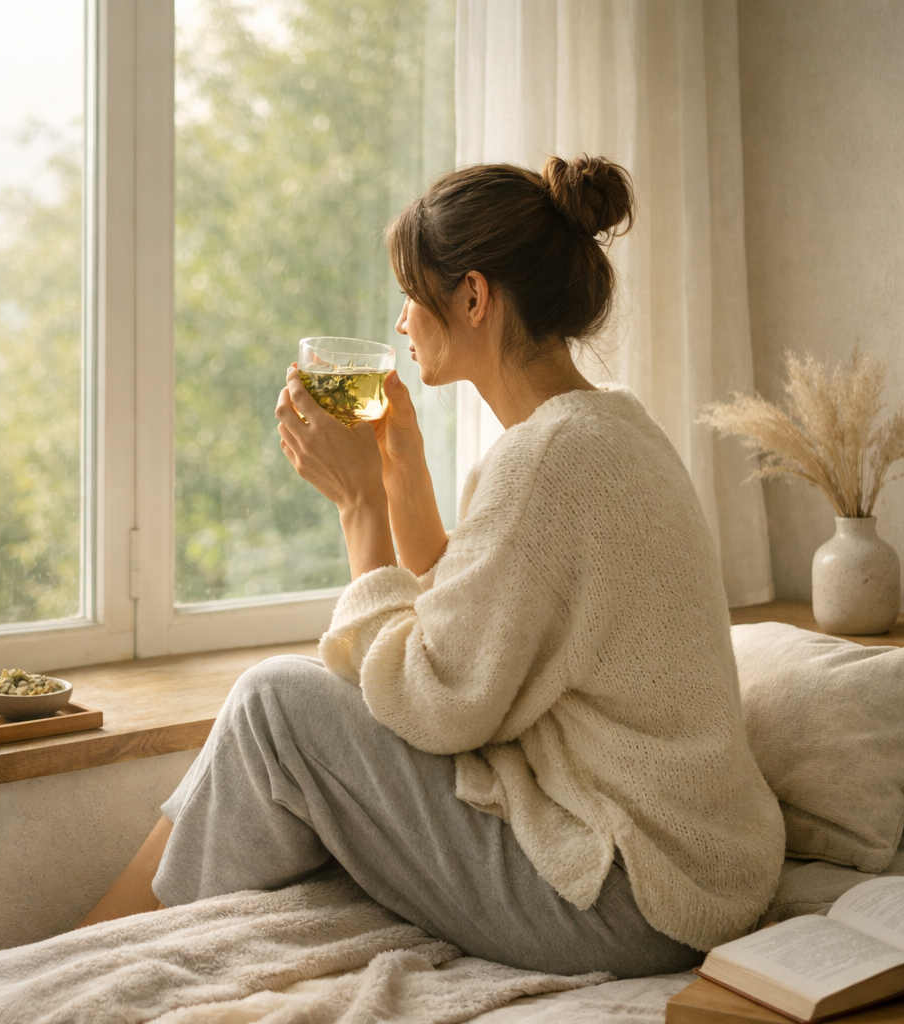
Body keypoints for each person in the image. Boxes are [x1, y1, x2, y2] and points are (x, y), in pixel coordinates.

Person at [79, 156, 785, 978]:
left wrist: (360, 511)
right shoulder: (609, 428)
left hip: (631, 898)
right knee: (274, 720)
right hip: (704, 877)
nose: (404, 321)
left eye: (414, 294)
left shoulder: (546, 463)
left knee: (274, 702)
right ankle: (115, 936)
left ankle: (102, 952)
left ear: (474, 298)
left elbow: (436, 703)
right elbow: (488, 618)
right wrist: (401, 465)